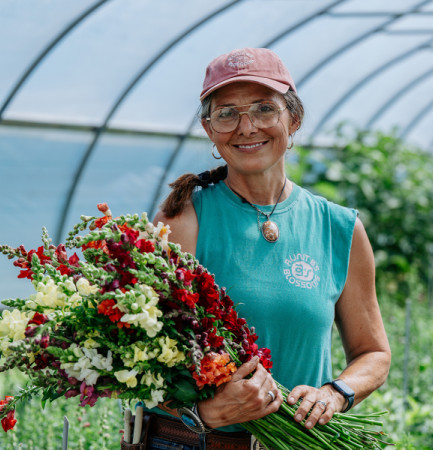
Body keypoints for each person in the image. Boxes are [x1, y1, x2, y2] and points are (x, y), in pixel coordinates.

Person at [147, 47, 391, 449]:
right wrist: (205, 412)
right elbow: (141, 357)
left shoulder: (339, 227)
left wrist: (333, 393)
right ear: (210, 130)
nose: (246, 127)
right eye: (226, 113)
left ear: (292, 119)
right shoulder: (180, 223)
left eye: (264, 109)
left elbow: (374, 353)